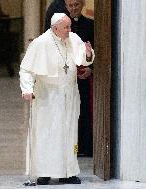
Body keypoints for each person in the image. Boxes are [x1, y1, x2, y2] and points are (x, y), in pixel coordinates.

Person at [19, 13, 94, 185]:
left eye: (69, 26)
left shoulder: (73, 38)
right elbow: (26, 70)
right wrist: (27, 89)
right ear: (55, 29)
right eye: (66, 27)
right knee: (48, 135)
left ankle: (68, 173)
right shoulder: (40, 43)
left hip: (70, 94)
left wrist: (88, 54)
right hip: (48, 97)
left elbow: (84, 58)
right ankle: (45, 172)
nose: (70, 30)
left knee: (69, 133)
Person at [45, 0, 94, 156]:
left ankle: (84, 147)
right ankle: (65, 148)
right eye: (70, 6)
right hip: (63, 78)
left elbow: (92, 51)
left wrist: (90, 68)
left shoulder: (90, 25)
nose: (74, 8)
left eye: (76, 5)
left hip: (83, 78)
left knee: (83, 110)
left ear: (82, 5)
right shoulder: (60, 26)